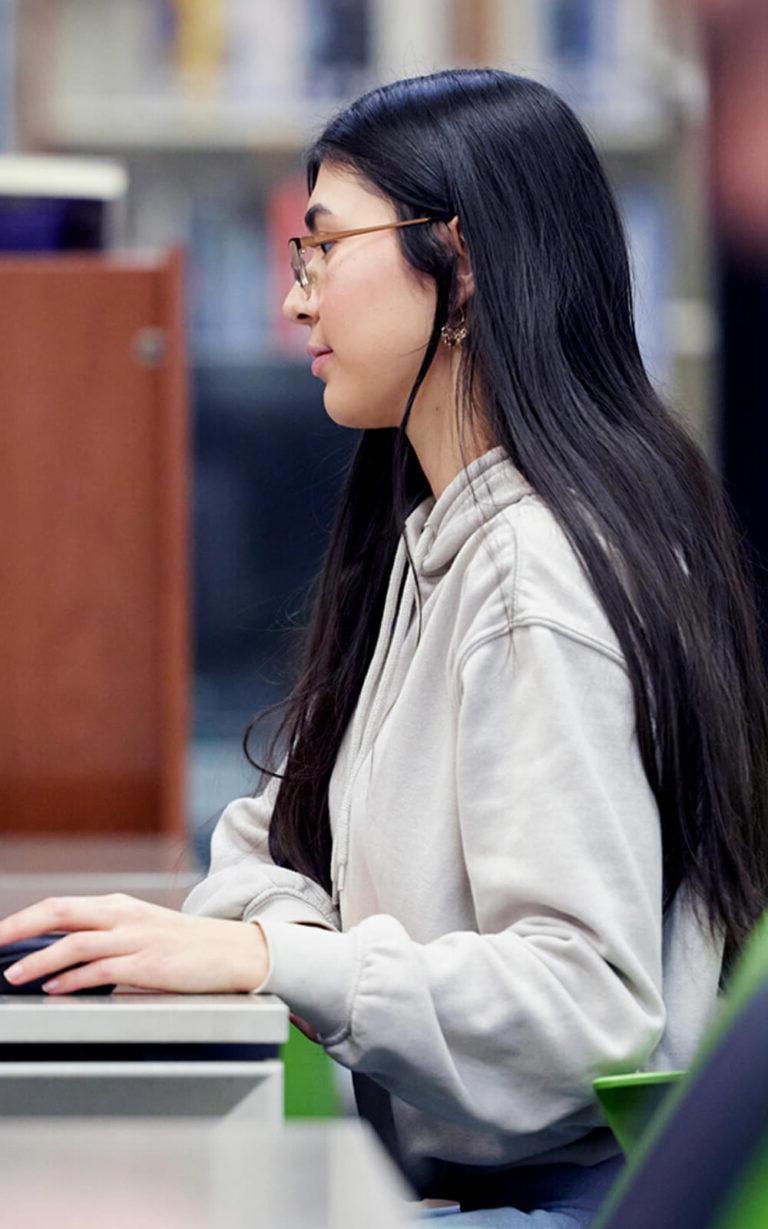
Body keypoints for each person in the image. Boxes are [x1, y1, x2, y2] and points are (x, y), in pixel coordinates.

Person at [1, 68, 767, 1226]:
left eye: (320, 249)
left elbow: (588, 1003)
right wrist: (287, 936)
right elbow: (261, 842)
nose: (295, 300)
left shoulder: (535, 574)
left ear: (455, 267)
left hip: (549, 1202)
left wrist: (277, 961)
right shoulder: (435, 542)